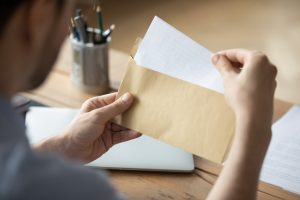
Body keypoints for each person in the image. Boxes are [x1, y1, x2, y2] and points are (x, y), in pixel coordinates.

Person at [0, 1, 277, 200]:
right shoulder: (76, 190)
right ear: (39, 14)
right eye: (75, 10)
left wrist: (64, 146)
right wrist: (254, 126)